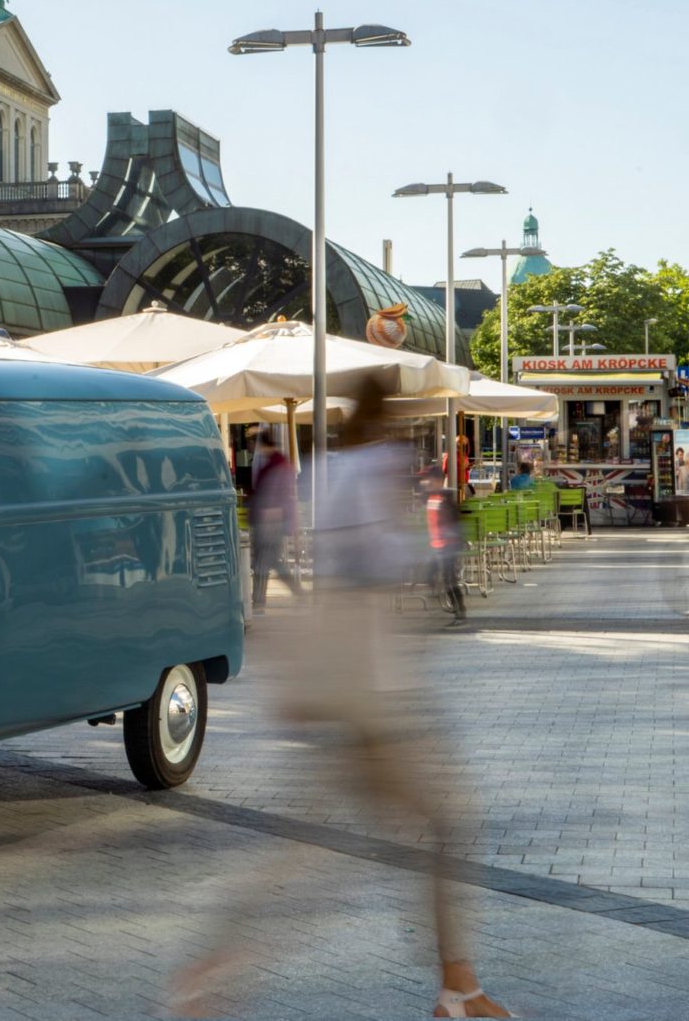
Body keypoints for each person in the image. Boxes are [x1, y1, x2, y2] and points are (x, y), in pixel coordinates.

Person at [173, 385, 511, 1018]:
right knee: (443, 824)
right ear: (387, 419)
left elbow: (325, 557)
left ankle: (212, 970)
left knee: (310, 855)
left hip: (347, 684)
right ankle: (456, 987)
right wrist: (432, 545)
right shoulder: (378, 465)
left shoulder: (322, 472)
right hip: (373, 687)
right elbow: (373, 560)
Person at [248, 427, 302, 612]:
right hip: (272, 520)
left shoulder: (276, 465)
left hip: (270, 521)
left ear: (261, 444)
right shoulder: (276, 464)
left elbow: (275, 497)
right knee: (273, 562)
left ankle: (258, 602)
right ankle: (297, 592)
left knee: (262, 562)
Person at [425, 484, 468, 627]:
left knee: (449, 579)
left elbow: (447, 523)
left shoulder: (442, 501)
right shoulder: (435, 500)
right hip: (441, 545)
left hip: (447, 544)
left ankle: (459, 611)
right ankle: (458, 610)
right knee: (447, 579)